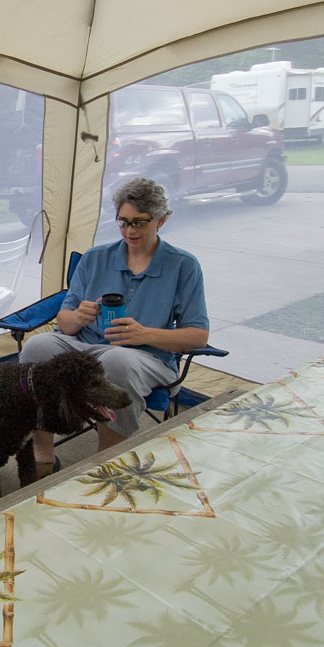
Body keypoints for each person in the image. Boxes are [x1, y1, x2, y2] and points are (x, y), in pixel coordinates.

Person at [19, 178, 209, 472]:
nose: (129, 231)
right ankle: (42, 454)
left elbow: (198, 336)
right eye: (123, 222)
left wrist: (145, 334)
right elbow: (65, 322)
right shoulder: (96, 258)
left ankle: (104, 462)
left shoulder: (182, 266)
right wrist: (78, 317)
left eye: (139, 223)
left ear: (161, 220)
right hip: (83, 345)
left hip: (146, 355)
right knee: (36, 347)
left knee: (117, 361)